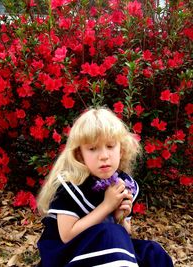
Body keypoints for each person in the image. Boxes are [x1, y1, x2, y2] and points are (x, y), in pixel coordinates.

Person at [37, 107, 174, 267]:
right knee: (112, 234)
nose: (104, 156)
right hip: (66, 254)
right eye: (93, 149)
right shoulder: (72, 185)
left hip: (107, 247)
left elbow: (125, 232)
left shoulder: (123, 183)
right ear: (80, 155)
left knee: (152, 252)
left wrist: (119, 217)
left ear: (121, 151)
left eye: (110, 146)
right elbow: (67, 235)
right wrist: (107, 206)